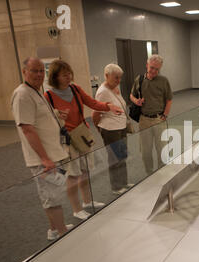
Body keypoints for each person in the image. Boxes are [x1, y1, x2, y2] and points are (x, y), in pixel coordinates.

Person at [45, 59, 124, 219]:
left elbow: (92, 103)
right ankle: (76, 208)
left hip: (82, 134)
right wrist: (56, 114)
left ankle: (87, 201)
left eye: (69, 74)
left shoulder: (75, 89)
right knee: (73, 175)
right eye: (64, 75)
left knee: (85, 170)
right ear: (55, 77)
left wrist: (108, 106)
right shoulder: (49, 96)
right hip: (66, 140)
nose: (68, 78)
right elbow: (45, 120)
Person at [11, 57, 72, 240]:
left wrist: (56, 114)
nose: (38, 74)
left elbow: (38, 119)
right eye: (34, 71)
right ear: (24, 72)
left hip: (51, 155)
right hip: (42, 159)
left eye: (40, 71)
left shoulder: (35, 91)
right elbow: (27, 129)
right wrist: (45, 159)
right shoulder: (22, 95)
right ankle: (61, 233)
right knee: (52, 197)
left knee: (51, 195)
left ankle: (54, 230)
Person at [93, 63, 133, 195]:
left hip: (120, 127)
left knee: (122, 156)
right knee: (115, 158)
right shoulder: (102, 92)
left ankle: (124, 182)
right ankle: (116, 186)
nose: (118, 81)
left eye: (120, 78)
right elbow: (96, 114)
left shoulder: (114, 88)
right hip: (111, 129)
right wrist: (100, 129)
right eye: (116, 78)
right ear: (106, 76)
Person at [130, 54, 173, 175]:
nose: (154, 71)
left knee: (162, 149)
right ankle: (149, 174)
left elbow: (169, 99)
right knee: (146, 151)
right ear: (147, 65)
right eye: (152, 67)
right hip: (144, 120)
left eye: (157, 69)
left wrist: (165, 114)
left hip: (159, 119)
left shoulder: (163, 81)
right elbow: (131, 95)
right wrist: (136, 101)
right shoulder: (139, 79)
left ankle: (162, 171)